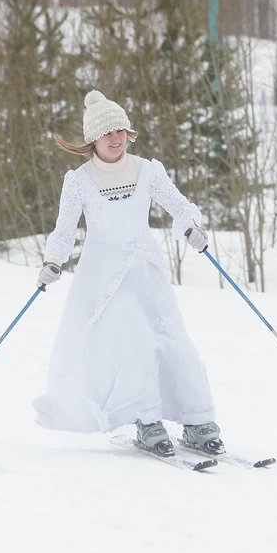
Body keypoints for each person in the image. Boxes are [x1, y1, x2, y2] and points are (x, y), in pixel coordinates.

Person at [32, 90, 224, 457]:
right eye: (108, 132)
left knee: (173, 340)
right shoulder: (79, 180)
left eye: (121, 129)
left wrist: (190, 226)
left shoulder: (146, 170)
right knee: (133, 342)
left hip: (144, 271)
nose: (117, 137)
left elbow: (178, 205)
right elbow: (64, 228)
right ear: (93, 139)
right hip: (103, 277)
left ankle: (197, 418)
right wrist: (52, 261)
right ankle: (146, 419)